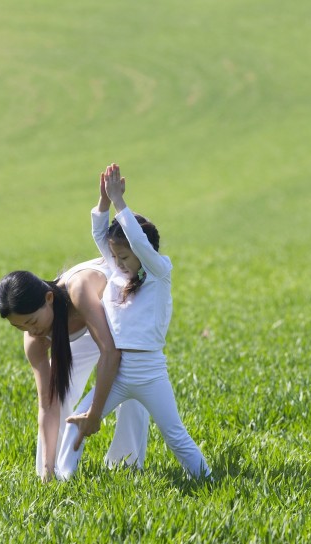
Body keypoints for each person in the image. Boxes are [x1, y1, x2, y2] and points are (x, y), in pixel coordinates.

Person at [59, 163, 211, 480]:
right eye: (116, 258)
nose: (119, 264)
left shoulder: (158, 271)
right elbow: (100, 233)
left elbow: (138, 245)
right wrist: (103, 202)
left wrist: (120, 202)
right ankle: (63, 480)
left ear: (144, 252)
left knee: (176, 437)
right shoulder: (119, 270)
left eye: (125, 258)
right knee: (79, 420)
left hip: (150, 372)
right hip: (117, 371)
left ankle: (207, 480)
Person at [0, 257, 149, 482]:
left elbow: (110, 353)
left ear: (48, 298)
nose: (30, 331)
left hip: (119, 319)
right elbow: (47, 403)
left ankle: (126, 466)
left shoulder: (79, 290)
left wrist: (94, 414)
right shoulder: (34, 340)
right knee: (60, 394)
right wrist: (47, 468)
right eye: (19, 326)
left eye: (32, 321)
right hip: (84, 332)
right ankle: (50, 472)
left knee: (131, 383)